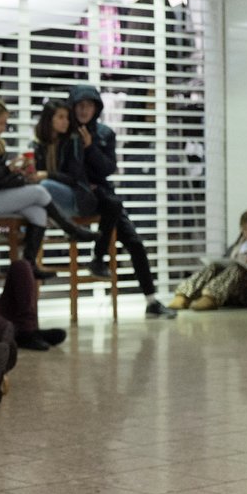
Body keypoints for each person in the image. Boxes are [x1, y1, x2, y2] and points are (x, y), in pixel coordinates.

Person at [68, 84, 178, 318]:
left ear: (96, 108)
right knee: (112, 204)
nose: (84, 110)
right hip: (78, 195)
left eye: (89, 105)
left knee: (135, 243)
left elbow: (109, 168)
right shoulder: (65, 131)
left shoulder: (105, 133)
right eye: (80, 105)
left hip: (105, 195)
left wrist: (90, 148)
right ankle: (98, 258)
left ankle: (151, 301)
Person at [0, 101, 96, 280]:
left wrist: (18, 175)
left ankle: (29, 264)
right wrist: (8, 170)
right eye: (1, 123)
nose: (4, 128)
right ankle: (71, 229)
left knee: (38, 212)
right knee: (39, 192)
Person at [168, 210, 247, 310]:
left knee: (238, 268)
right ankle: (183, 295)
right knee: (214, 266)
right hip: (233, 287)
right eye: (244, 229)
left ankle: (211, 297)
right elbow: (226, 262)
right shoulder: (240, 243)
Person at [32, 98, 98, 223]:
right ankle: (24, 232)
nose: (66, 122)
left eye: (67, 118)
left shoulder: (73, 140)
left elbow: (74, 178)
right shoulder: (39, 145)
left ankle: (30, 230)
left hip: (78, 198)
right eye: (61, 117)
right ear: (49, 119)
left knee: (44, 186)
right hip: (51, 197)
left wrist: (46, 174)